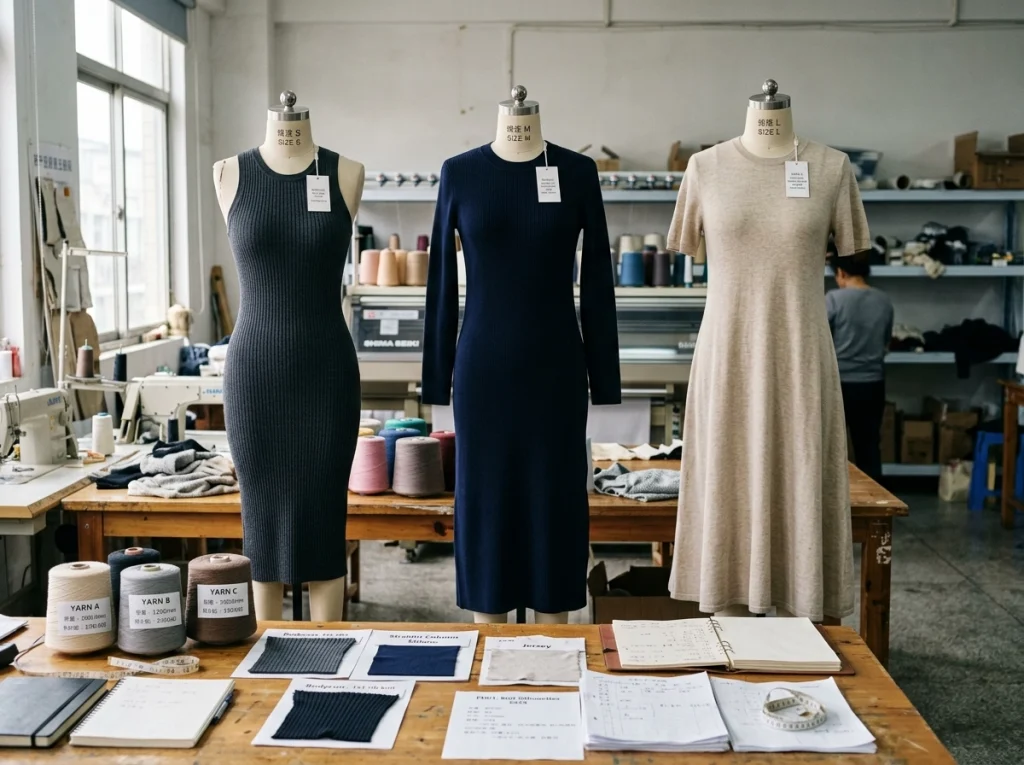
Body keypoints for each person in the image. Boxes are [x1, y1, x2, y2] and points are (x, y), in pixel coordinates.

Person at [826, 250, 894, 482]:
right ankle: (875, 506)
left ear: (841, 273)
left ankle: (833, 504)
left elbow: (818, 340)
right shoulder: (884, 301)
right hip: (873, 385)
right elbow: (886, 342)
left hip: (838, 385)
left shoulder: (834, 299)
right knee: (869, 447)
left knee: (829, 449)